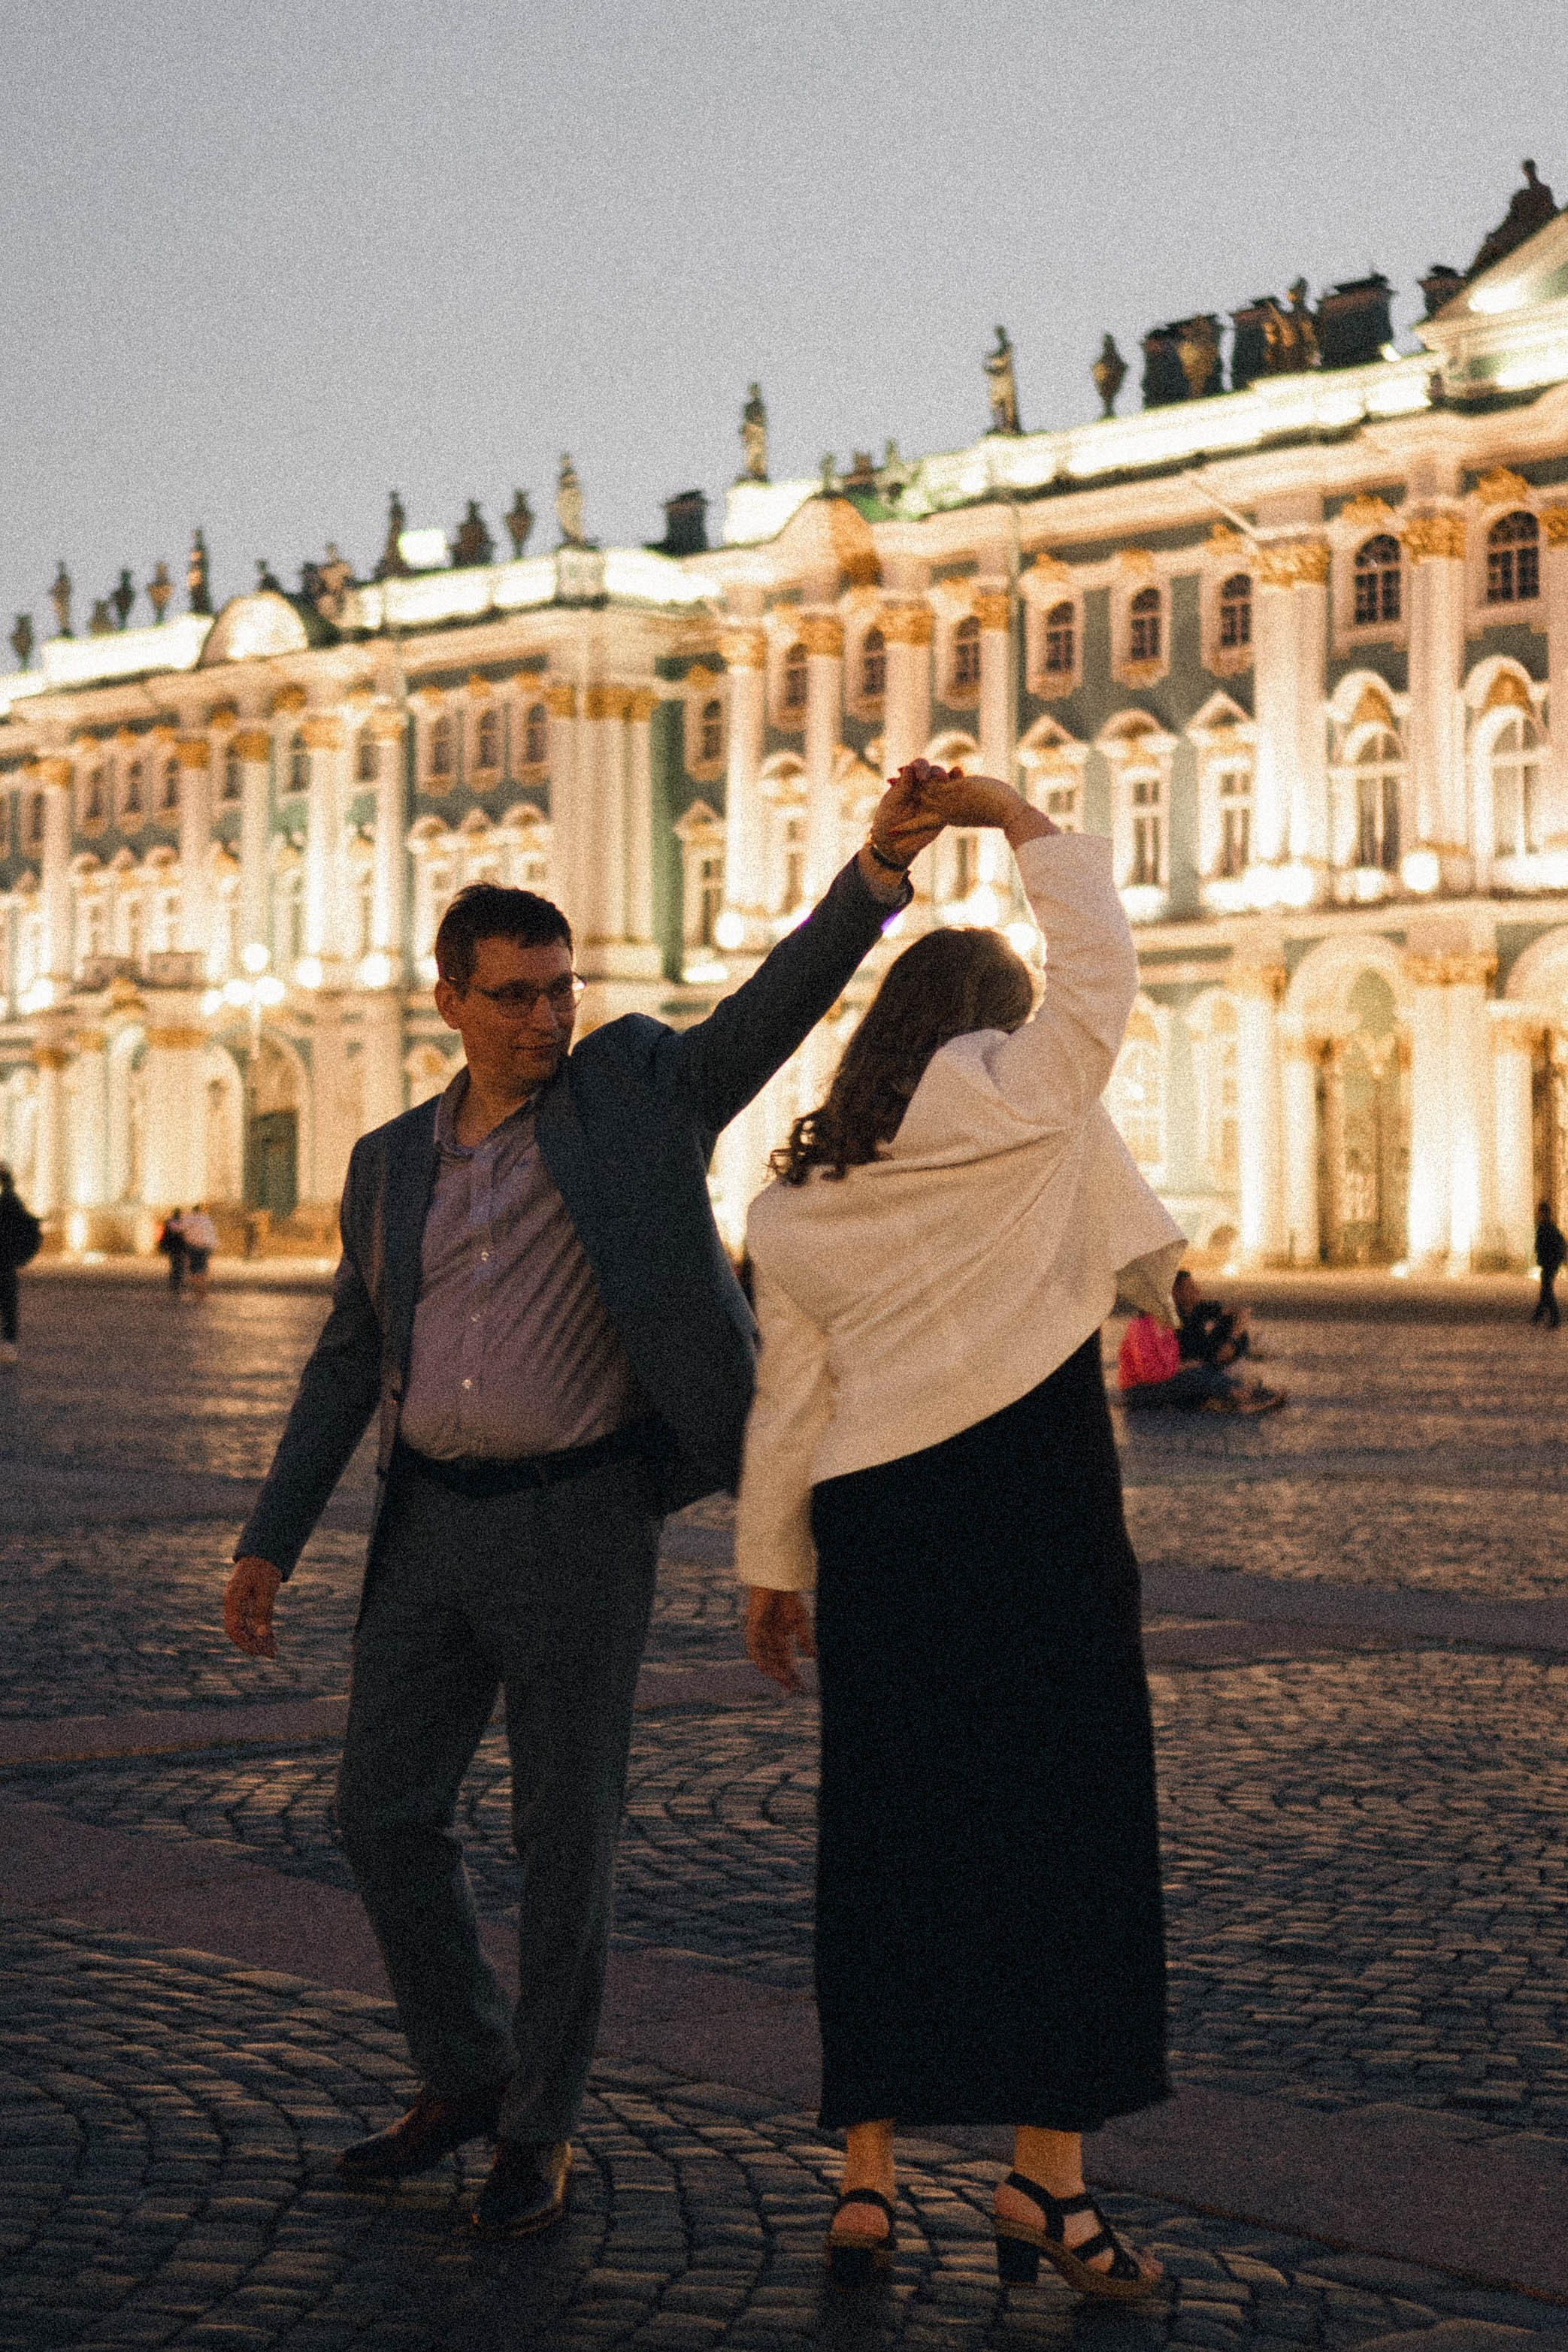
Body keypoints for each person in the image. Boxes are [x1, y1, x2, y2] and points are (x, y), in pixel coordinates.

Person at [222, 764, 953, 2241]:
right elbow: (349, 1360)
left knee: (568, 1834)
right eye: (511, 995)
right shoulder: (383, 1166)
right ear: (450, 1000)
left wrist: (870, 879)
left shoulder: (629, 1090)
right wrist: (269, 1535)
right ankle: (463, 2066)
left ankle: (536, 2122)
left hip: (577, 1520)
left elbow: (766, 1010)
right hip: (428, 1525)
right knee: (379, 1811)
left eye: (556, 989)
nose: (542, 1018)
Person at [737, 770, 1185, 2300]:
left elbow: (788, 1396)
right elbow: (1102, 967)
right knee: (1069, 1844)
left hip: (882, 1531)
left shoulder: (798, 1201)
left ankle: (862, 2181)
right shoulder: (1024, 1103)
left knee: (883, 1839)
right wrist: (1007, 814)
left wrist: (771, 1567)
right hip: (1039, 1506)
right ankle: (1043, 2182)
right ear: (989, 1029)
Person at [1118, 1307, 1283, 1414]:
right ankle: (1243, 1398)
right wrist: (1182, 1368)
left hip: (1162, 1381)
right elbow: (1148, 1373)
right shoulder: (1140, 1328)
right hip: (1139, 1389)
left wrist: (1185, 1365)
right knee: (1195, 1376)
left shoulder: (1166, 1327)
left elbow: (1170, 1360)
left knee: (1203, 1369)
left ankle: (1238, 1391)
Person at [0, 1164, 42, 1365]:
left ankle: (8, 1344)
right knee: (8, 1304)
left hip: (4, 1262)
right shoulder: (11, 1201)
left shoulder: (8, 1203)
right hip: (6, 1262)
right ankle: (8, 1344)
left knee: (7, 1303)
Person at [1173, 1267, 1252, 1367]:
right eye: (1190, 1287)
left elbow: (1243, 1311)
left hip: (1227, 1353)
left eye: (1194, 1286)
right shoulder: (1173, 1319)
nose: (1197, 1290)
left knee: (1230, 1322)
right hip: (1205, 1365)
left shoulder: (1202, 1307)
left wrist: (1231, 1342)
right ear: (1176, 1293)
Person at [1533, 1200, 1565, 1330]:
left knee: (1547, 1291)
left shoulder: (1547, 1228)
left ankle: (1552, 1318)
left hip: (1549, 1264)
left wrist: (1551, 1260)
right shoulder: (1549, 1228)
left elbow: (1549, 1247)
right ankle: (1538, 1316)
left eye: (1540, 1212)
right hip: (1549, 1264)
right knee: (1545, 1290)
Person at [179, 1204, 219, 1300]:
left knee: (194, 1270)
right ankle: (202, 1291)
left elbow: (180, 1228)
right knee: (203, 1269)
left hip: (194, 1247)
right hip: (206, 1247)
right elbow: (212, 1233)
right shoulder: (206, 1219)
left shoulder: (189, 1218)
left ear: (193, 1211)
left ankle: (196, 1291)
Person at [156, 1209, 188, 1297]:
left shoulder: (168, 1223)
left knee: (174, 1266)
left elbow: (163, 1236)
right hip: (181, 1248)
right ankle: (177, 1284)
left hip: (172, 1248)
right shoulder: (184, 1224)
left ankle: (174, 1285)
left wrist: (162, 1247)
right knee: (180, 1267)